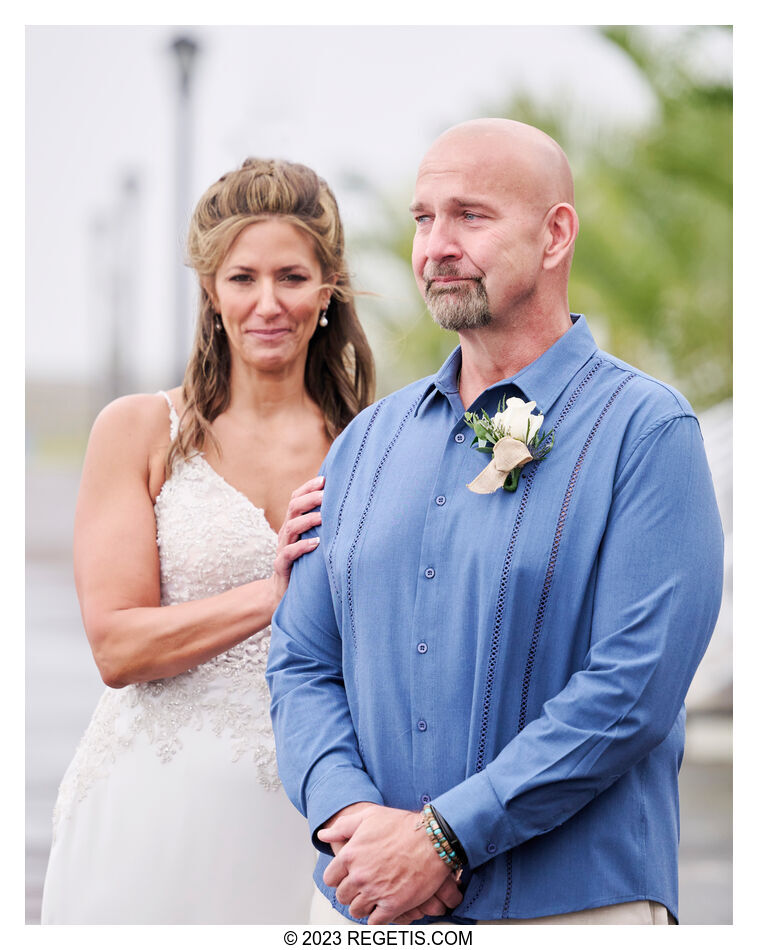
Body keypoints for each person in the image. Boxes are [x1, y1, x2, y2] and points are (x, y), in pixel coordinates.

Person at [266, 119, 724, 926]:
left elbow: (631, 691)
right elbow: (302, 660)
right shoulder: (365, 442)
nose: (435, 245)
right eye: (422, 218)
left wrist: (444, 840)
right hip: (361, 905)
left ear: (555, 235)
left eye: (470, 216)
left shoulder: (647, 433)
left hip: (575, 909)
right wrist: (350, 818)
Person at [40, 157, 374, 924]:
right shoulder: (138, 431)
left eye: (292, 277)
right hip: (152, 814)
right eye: (242, 278)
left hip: (312, 818)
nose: (267, 303)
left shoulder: (371, 445)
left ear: (327, 290)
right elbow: (118, 648)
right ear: (210, 290)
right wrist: (275, 594)